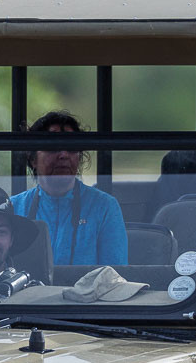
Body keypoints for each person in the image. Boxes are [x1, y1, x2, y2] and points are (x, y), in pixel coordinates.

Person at [11, 111, 128, 265]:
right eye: (53, 147)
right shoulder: (13, 208)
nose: (64, 155)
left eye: (72, 147)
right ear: (33, 159)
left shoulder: (104, 207)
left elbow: (114, 278)